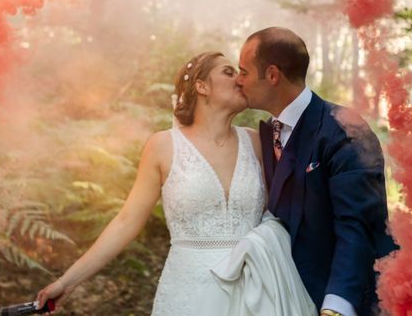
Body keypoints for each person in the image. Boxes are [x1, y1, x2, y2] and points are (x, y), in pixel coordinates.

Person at [36, 51, 315, 315]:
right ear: (202, 86)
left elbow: (287, 211)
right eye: (229, 72)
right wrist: (67, 282)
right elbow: (126, 222)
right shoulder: (162, 146)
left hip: (255, 291)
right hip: (189, 291)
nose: (240, 79)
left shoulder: (257, 141)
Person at [236, 27, 398, 316]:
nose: (238, 81)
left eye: (243, 72)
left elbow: (357, 225)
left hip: (342, 296)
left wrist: (336, 306)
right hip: (284, 297)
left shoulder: (345, 129)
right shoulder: (263, 136)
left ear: (272, 75)